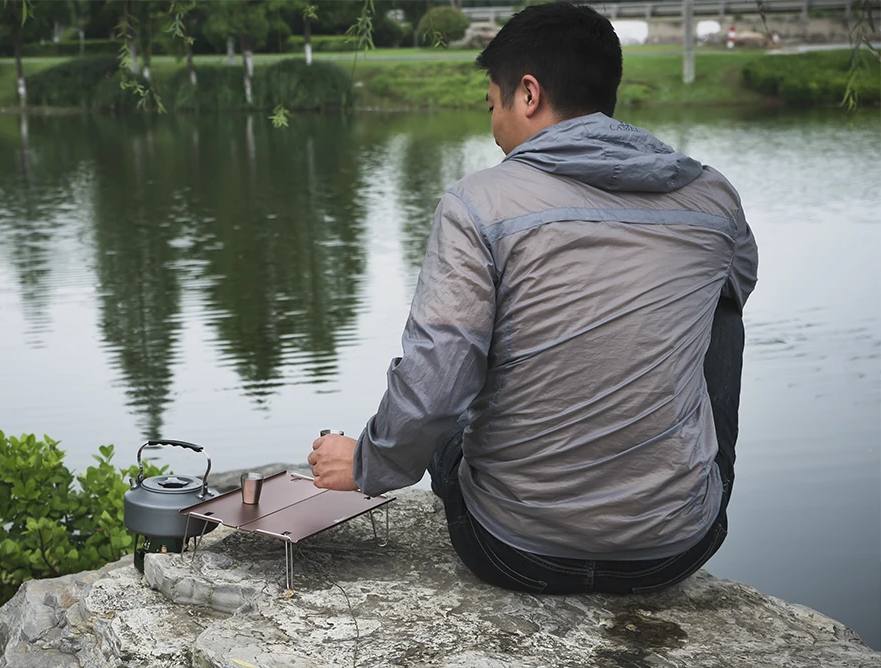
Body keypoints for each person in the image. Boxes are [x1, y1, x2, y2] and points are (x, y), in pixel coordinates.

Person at [307, 2, 758, 594]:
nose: (493, 127)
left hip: (513, 551)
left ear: (527, 94)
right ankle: (674, 492)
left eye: (491, 105)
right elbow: (740, 284)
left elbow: (436, 378)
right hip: (675, 549)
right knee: (719, 302)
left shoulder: (478, 204)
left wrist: (368, 461)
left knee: (453, 389)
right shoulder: (714, 197)